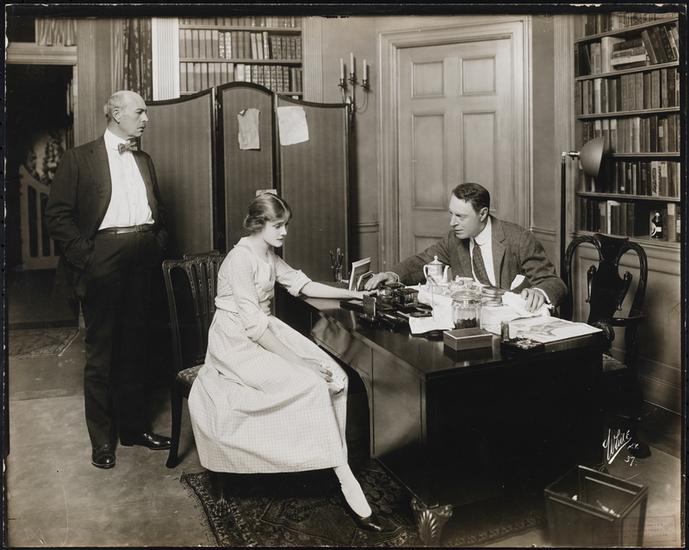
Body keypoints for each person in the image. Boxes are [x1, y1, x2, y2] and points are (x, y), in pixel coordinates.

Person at [188, 193, 385, 532]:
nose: (285, 232)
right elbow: (253, 326)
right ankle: (344, 477)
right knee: (311, 381)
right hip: (236, 342)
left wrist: (356, 294)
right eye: (278, 226)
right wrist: (301, 364)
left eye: (285, 225)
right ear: (258, 224)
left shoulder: (268, 254)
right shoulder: (239, 260)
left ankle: (325, 455)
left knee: (336, 376)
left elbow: (302, 285)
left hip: (264, 330)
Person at [46, 90, 171, 469]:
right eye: (140, 112)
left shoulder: (144, 160)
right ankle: (102, 441)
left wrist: (156, 244)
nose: (146, 118)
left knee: (137, 347)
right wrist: (88, 258)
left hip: (143, 257)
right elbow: (57, 216)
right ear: (116, 113)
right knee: (102, 352)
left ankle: (134, 429)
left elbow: (158, 211)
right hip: (102, 257)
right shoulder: (78, 158)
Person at [365, 182, 567, 311]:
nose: (452, 223)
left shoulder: (518, 238)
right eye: (451, 214)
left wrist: (539, 293)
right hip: (473, 320)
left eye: (460, 216)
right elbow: (422, 261)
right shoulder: (454, 239)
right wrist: (392, 275)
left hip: (513, 323)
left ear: (483, 214)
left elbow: (553, 282)